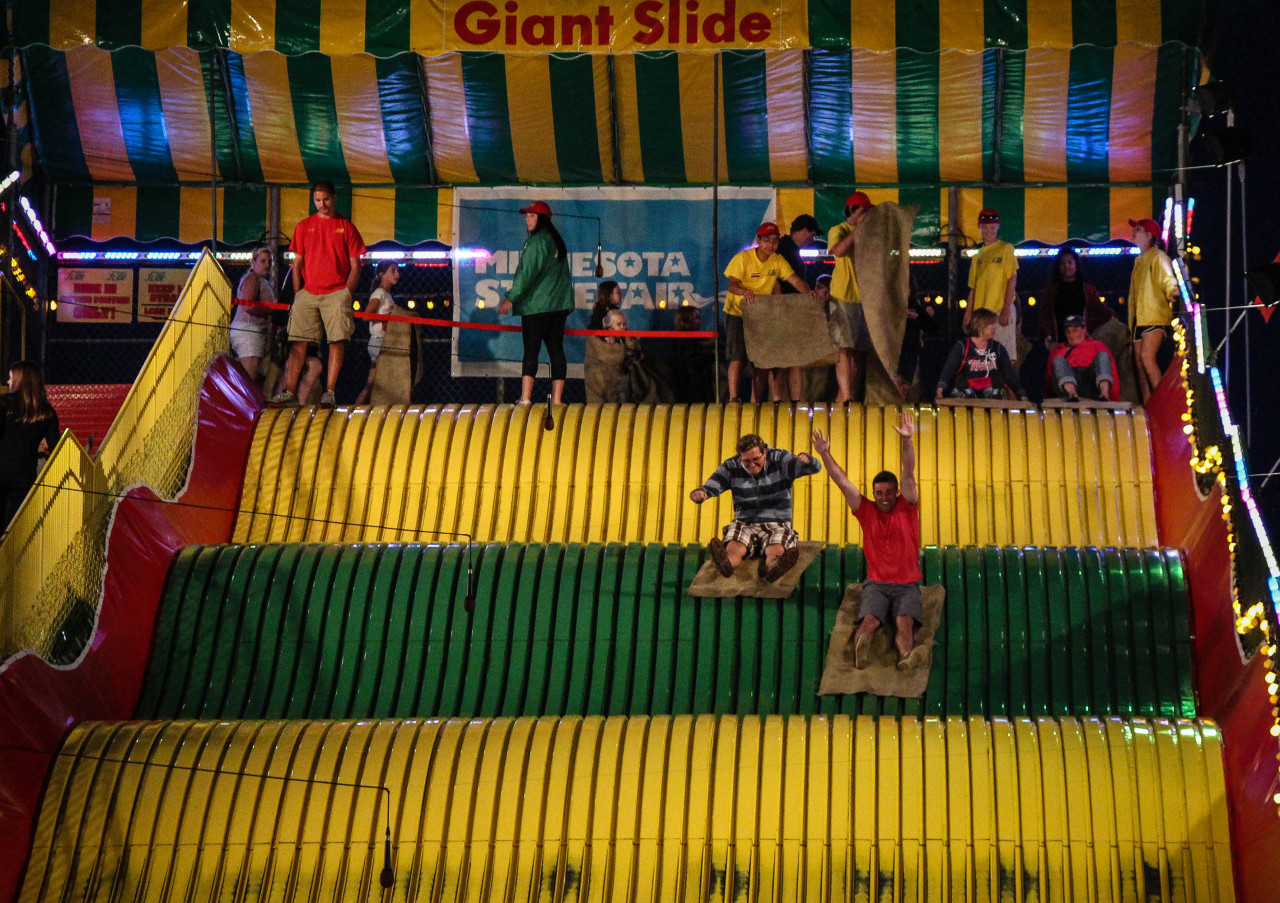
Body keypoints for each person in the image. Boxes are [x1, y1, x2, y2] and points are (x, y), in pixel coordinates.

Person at [812, 411, 923, 669]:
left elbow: (908, 471)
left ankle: (906, 659)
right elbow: (842, 482)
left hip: (908, 584)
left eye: (887, 492)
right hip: (876, 584)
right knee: (870, 621)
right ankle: (860, 654)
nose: (883, 497)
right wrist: (824, 454)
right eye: (878, 492)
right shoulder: (866, 510)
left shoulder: (907, 506)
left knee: (903, 622)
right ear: (873, 494)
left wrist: (908, 440)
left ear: (897, 493)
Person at [268, 181, 366, 408]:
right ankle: (289, 391)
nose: (322, 205)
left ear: (334, 198)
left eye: (326, 200)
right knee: (298, 342)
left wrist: (346, 294)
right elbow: (297, 263)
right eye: (317, 201)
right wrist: (298, 293)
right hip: (308, 292)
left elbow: (356, 265)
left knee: (336, 341)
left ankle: (329, 392)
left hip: (336, 293)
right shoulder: (303, 227)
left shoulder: (347, 227)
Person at [689, 433, 822, 582]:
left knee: (776, 544)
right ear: (740, 457)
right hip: (746, 522)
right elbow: (713, 484)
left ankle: (775, 565)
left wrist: (808, 460)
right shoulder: (731, 466)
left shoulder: (779, 459)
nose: (751, 464)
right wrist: (701, 492)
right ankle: (727, 563)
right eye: (746, 461)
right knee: (735, 542)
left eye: (755, 459)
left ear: (764, 452)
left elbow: (814, 468)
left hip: (777, 522)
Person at [723, 222, 814, 402]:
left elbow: (795, 280)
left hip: (762, 314)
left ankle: (755, 399)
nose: (771, 245)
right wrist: (744, 291)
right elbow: (732, 285)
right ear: (758, 240)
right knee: (738, 356)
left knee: (763, 359)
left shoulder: (777, 260)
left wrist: (809, 292)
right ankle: (734, 397)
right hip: (737, 312)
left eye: (775, 241)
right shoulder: (743, 258)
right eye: (767, 241)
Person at [498, 200, 575, 406]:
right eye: (527, 216)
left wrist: (510, 298)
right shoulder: (556, 242)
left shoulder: (536, 243)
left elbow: (526, 275)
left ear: (542, 220)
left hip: (536, 307)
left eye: (532, 216)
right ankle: (557, 400)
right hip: (557, 307)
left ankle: (526, 398)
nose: (527, 219)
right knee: (556, 351)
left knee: (531, 350)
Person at [827, 192, 875, 403]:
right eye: (863, 212)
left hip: (864, 297)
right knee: (843, 347)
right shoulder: (839, 230)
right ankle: (846, 395)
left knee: (860, 351)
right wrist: (858, 230)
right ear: (851, 211)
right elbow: (837, 251)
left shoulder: (870, 233)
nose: (866, 216)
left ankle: (844, 397)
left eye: (868, 212)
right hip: (843, 295)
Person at [0, 361, 61, 529]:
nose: (8, 382)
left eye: (11, 378)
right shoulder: (46, 411)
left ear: (20, 380)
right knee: (12, 527)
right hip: (24, 474)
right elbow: (57, 447)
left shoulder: (4, 403)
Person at [1126, 217, 1181, 401]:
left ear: (1150, 235)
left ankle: (1162, 402)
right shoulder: (1139, 261)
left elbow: (1168, 278)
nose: (1134, 232)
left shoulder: (1158, 256)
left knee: (1147, 358)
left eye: (1139, 229)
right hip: (1139, 320)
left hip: (1155, 317)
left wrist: (1173, 291)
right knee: (1140, 366)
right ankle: (1148, 403)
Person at [935, 308, 1029, 402]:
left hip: (989, 390)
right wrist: (940, 390)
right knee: (964, 390)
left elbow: (1009, 373)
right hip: (966, 390)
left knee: (996, 388)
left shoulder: (997, 348)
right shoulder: (962, 346)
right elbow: (949, 369)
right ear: (980, 326)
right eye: (991, 324)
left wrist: (1021, 394)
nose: (995, 327)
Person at [964, 208, 1020, 362]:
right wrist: (968, 313)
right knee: (982, 357)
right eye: (985, 227)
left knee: (1003, 357)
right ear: (979, 227)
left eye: (992, 227)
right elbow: (973, 287)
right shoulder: (977, 256)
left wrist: (1006, 309)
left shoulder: (1006, 249)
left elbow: (1012, 279)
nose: (988, 231)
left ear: (998, 227)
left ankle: (1005, 385)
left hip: (1000, 309)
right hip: (981, 316)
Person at [355, 261, 399, 405]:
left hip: (384, 342)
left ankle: (358, 410)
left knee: (374, 384)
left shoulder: (386, 294)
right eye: (393, 271)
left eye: (397, 271)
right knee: (378, 383)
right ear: (382, 274)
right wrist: (386, 319)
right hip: (379, 341)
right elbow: (366, 315)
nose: (397, 274)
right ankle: (356, 410)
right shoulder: (379, 294)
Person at [229, 247, 275, 385]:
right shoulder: (252, 278)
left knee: (254, 376)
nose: (267, 264)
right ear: (253, 261)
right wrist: (270, 310)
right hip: (248, 331)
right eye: (263, 261)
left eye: (270, 261)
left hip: (253, 331)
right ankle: (240, 405)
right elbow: (248, 306)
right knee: (248, 378)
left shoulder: (262, 280)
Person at [1047, 315, 1119, 402]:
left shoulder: (1096, 345)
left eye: (1075, 331)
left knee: (1103, 355)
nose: (1071, 335)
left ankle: (1104, 394)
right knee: (1058, 360)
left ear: (1084, 330)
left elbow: (1110, 369)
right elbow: (1049, 379)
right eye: (1068, 332)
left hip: (1091, 385)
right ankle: (1072, 394)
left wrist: (1116, 400)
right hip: (1066, 386)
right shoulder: (1057, 350)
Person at [667, 305, 716, 403]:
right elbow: (690, 360)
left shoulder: (693, 339)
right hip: (690, 387)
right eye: (696, 318)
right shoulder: (684, 340)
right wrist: (710, 355)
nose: (700, 321)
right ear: (685, 321)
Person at [777, 214, 820, 292]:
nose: (812, 240)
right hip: (783, 300)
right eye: (813, 235)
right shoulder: (783, 249)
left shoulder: (789, 248)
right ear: (804, 231)